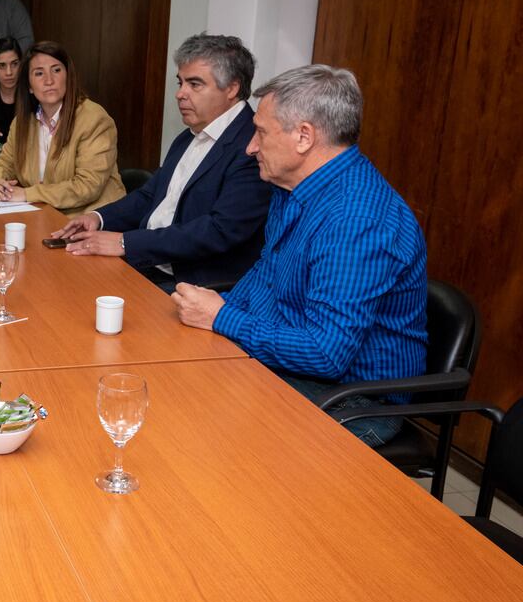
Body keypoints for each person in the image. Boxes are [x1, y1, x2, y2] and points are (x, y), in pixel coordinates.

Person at [173, 64, 427, 447]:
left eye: (260, 132)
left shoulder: (355, 220)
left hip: (353, 400)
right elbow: (267, 272)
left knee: (204, 428)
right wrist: (216, 308)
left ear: (304, 137)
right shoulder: (291, 186)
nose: (250, 147)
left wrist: (223, 317)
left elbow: (326, 353)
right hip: (299, 369)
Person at [52, 33, 270, 290]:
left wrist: (125, 243)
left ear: (232, 88)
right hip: (148, 263)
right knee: (59, 277)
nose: (180, 94)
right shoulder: (189, 136)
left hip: (195, 283)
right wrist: (98, 218)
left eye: (195, 84)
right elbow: (150, 195)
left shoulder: (252, 146)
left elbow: (219, 230)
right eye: (180, 83)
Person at [0, 41, 125, 215]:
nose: (49, 80)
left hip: (89, 219)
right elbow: (4, 163)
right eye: (39, 73)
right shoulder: (22, 122)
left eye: (56, 70)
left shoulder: (94, 119)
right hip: (44, 215)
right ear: (29, 86)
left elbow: (87, 186)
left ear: (68, 76)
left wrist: (27, 194)